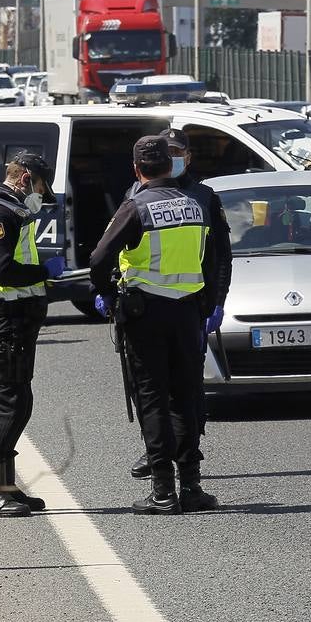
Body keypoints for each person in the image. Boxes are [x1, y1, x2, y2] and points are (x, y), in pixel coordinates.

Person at [90, 135, 222, 515]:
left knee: (152, 399)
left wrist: (110, 296)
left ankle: (163, 491)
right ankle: (192, 487)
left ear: (137, 169)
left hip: (146, 313)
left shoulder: (135, 208)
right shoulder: (195, 206)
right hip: (188, 314)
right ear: (172, 164)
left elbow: (99, 258)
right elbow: (210, 262)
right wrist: (207, 304)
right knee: (186, 397)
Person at [126, 128, 232, 481]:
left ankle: (187, 452)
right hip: (148, 305)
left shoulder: (203, 196)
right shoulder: (137, 195)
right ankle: (156, 449)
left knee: (186, 387)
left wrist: (216, 302)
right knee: (149, 387)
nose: (170, 157)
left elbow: (220, 257)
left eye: (176, 152)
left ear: (187, 157)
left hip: (191, 305)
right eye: (165, 151)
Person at [0, 151, 65, 518]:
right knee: (8, 401)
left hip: (16, 318)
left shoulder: (13, 211)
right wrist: (44, 271)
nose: (42, 193)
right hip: (3, 318)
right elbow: (1, 270)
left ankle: (6, 486)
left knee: (19, 400)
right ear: (25, 179)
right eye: (41, 186)